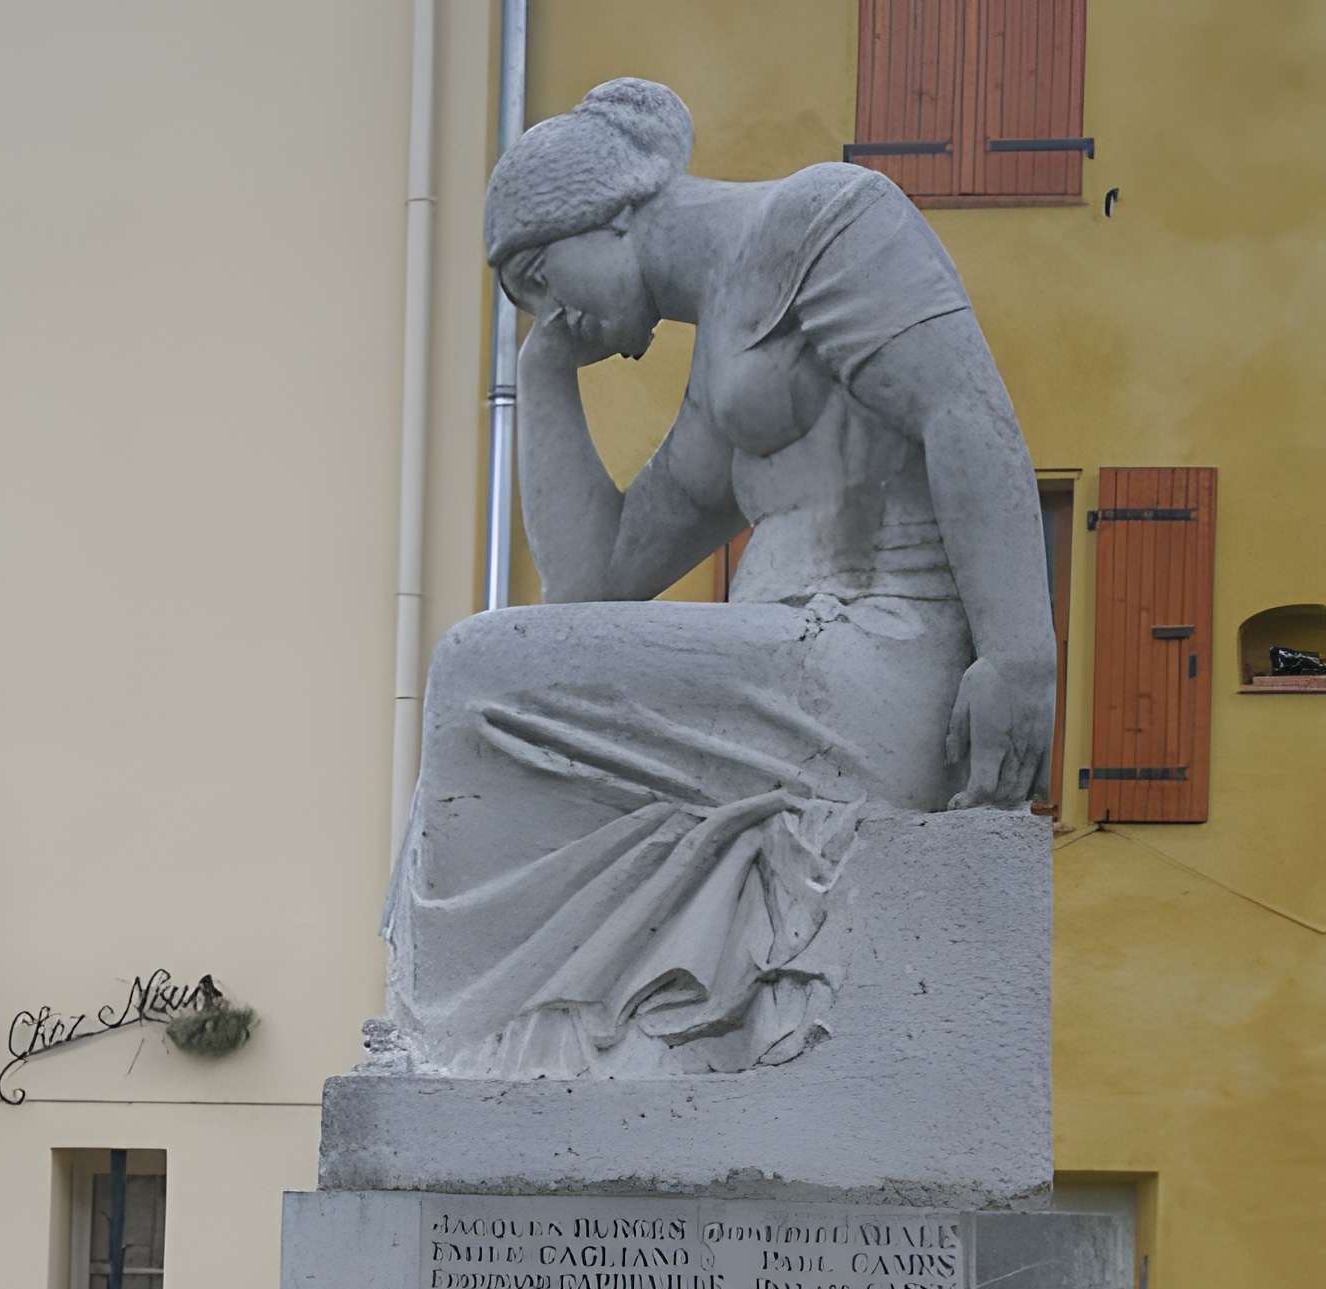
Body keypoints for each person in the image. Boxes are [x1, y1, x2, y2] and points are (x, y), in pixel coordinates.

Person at [385, 79, 1055, 1077]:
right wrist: (543, 375)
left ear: (610, 213)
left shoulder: (829, 218)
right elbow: (591, 582)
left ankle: (459, 1036)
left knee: (476, 672)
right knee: (484, 685)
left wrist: (1017, 653)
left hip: (877, 659)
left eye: (535, 273)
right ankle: (487, 1037)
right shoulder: (719, 378)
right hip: (795, 666)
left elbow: (964, 412)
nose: (544, 307)